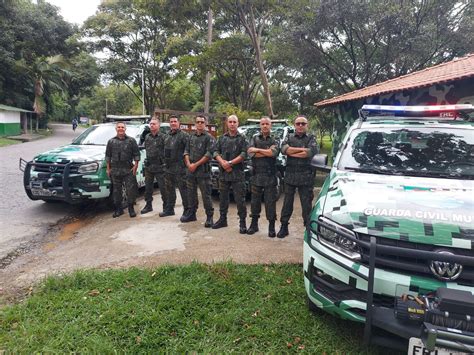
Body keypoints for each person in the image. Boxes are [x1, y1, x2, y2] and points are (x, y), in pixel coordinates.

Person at [277, 115, 318, 238]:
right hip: (290, 176)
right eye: (298, 123)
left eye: (303, 124)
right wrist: (302, 151)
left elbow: (310, 152)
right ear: (294, 125)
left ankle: (308, 228)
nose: (300, 126)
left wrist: (293, 151)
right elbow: (284, 150)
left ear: (307, 125)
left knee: (306, 206)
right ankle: (284, 227)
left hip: (306, 177)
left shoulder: (311, 137)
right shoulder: (288, 137)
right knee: (287, 204)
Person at [212, 114, 248, 234]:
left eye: (234, 122)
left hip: (237, 174)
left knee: (240, 200)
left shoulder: (242, 138)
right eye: (230, 122)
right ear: (227, 123)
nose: (232, 124)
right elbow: (215, 151)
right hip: (224, 174)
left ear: (238, 123)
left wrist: (230, 163)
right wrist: (223, 163)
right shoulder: (222, 138)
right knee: (223, 198)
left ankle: (242, 223)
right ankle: (223, 220)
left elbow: (244, 154)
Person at [247, 117, 280, 238]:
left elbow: (274, 153)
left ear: (270, 125)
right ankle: (253, 225)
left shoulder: (275, 138)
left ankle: (271, 227)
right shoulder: (254, 138)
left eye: (267, 124)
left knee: (270, 202)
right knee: (255, 202)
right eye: (263, 124)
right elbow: (250, 153)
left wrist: (258, 150)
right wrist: (266, 151)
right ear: (260, 125)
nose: (265, 126)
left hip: (270, 175)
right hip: (256, 175)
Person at [182, 115, 215, 226]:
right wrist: (188, 164)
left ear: (205, 124)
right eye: (198, 122)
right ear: (195, 124)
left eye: (202, 122)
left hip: (203, 172)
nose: (199, 124)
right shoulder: (191, 137)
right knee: (191, 194)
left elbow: (208, 154)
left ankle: (209, 217)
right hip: (191, 171)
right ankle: (192, 214)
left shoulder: (209, 138)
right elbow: (186, 151)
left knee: (206, 195)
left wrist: (195, 165)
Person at [105, 121, 140, 218]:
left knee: (130, 190)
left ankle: (131, 209)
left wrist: (136, 165)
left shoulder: (131, 141)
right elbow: (108, 156)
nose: (121, 129)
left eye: (122, 127)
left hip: (128, 169)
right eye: (119, 127)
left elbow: (136, 154)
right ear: (116, 129)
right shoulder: (111, 141)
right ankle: (118, 209)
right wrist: (108, 169)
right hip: (115, 169)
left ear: (125, 129)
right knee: (117, 191)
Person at [161, 115, 189, 219]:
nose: (173, 123)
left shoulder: (184, 136)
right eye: (171, 121)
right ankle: (169, 209)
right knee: (169, 190)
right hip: (168, 168)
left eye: (175, 121)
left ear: (179, 123)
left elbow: (188, 150)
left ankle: (187, 210)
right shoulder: (167, 135)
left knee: (184, 190)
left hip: (180, 168)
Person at [140, 116, 167, 215]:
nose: (152, 125)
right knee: (148, 188)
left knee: (163, 188)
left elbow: (167, 152)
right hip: (149, 166)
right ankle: (148, 205)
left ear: (158, 125)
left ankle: (166, 206)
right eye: (151, 124)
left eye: (154, 124)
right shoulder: (147, 137)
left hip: (160, 167)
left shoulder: (164, 137)